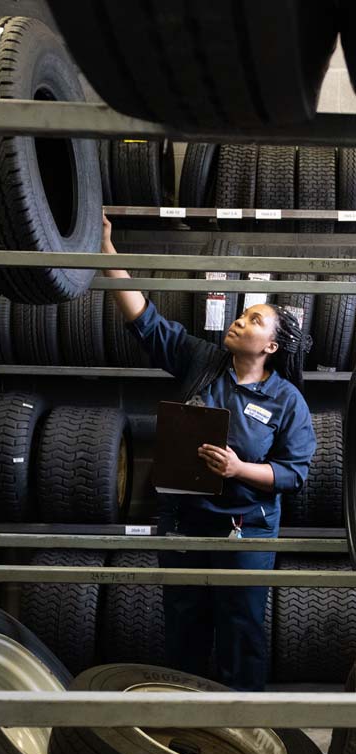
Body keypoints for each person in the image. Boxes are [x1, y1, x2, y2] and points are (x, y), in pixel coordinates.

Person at [101, 214, 316, 691]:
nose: (241, 321)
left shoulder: (287, 401)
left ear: (273, 345)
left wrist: (241, 469)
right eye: (242, 314)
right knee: (184, 633)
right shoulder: (202, 361)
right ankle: (189, 729)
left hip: (245, 533)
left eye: (254, 320)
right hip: (183, 525)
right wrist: (107, 252)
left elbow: (293, 475)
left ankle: (244, 731)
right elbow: (144, 321)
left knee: (240, 633)